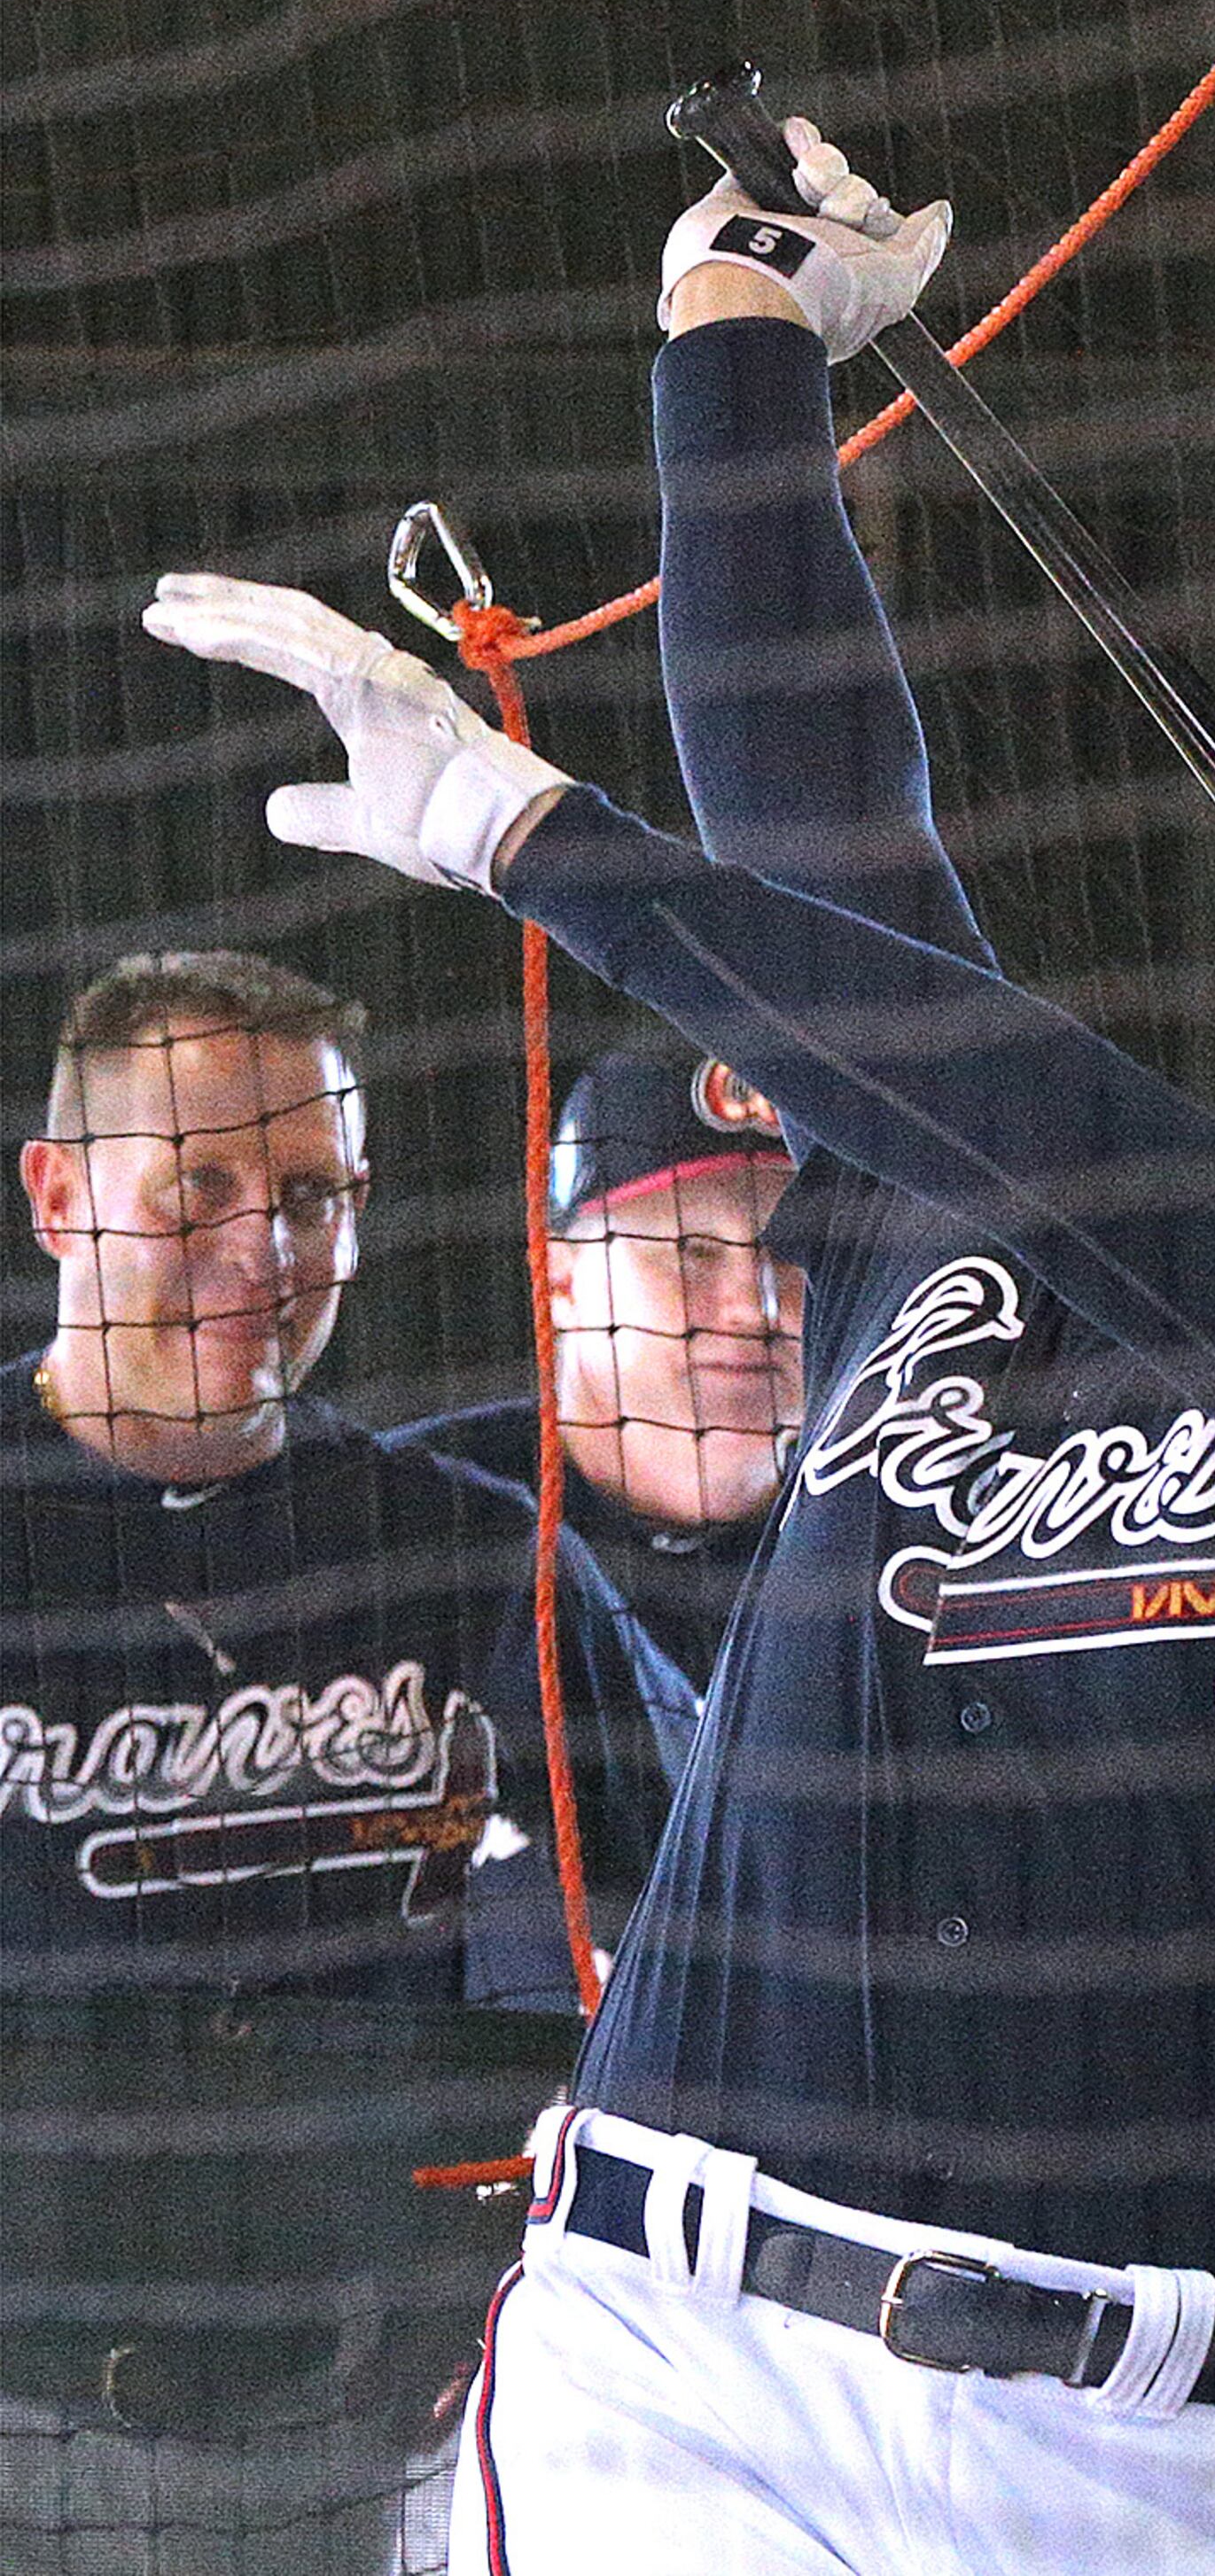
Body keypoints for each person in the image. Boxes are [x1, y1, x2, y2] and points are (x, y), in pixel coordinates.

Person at [144, 118, 1215, 2576]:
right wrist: (741, 339)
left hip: (1118, 2457)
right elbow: (828, 834)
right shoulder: (956, 1192)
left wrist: (530, 836)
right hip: (662, 2379)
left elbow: (1062, 1133)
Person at [0, 949, 694, 2572]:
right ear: (55, 1194)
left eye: (316, 1192)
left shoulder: (461, 1556)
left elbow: (696, 1912)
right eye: (201, 1187)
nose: (267, 1247)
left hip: (366, 2436)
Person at [386, 1041, 804, 1693]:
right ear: (561, 1279)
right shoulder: (407, 1521)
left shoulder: (911, 1516)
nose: (756, 1305)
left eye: (794, 1254)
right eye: (691, 1249)